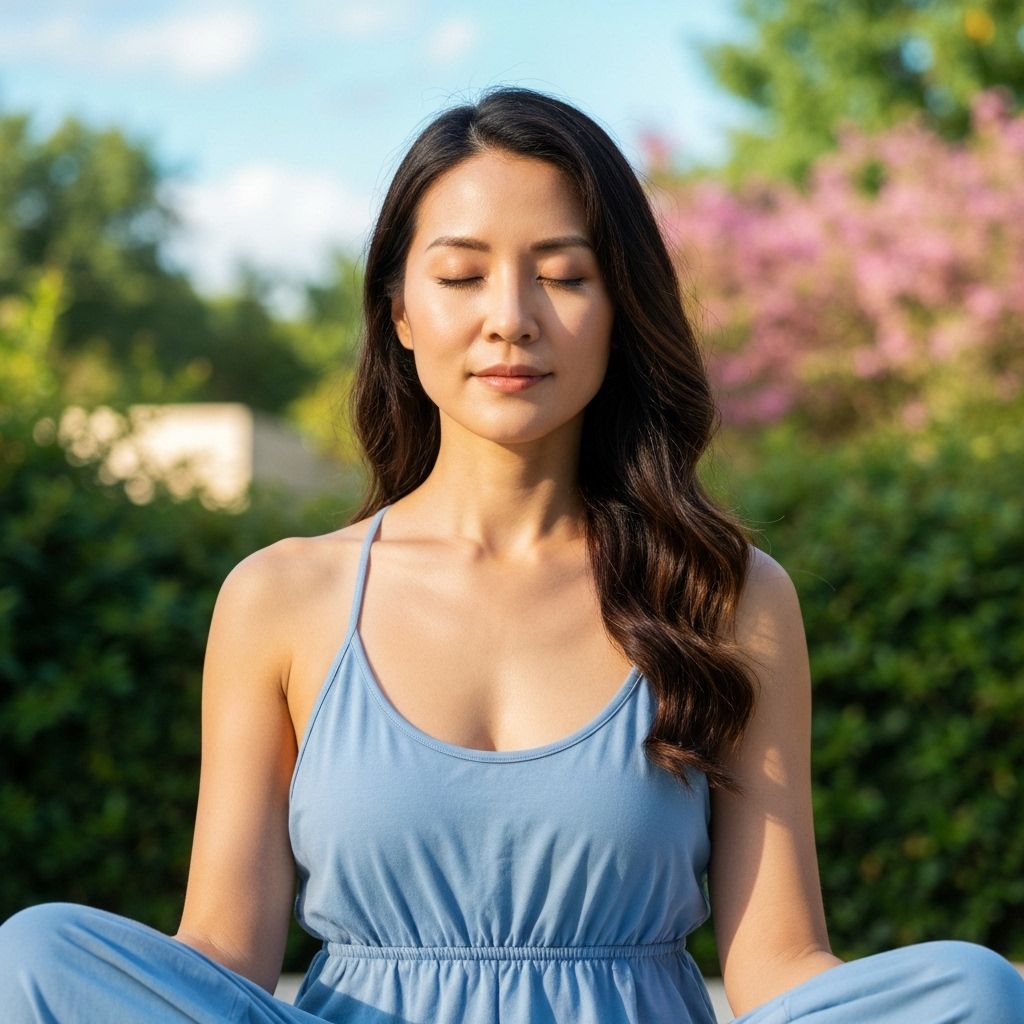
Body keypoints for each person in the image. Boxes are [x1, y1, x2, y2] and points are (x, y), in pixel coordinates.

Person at [0, 85, 1021, 1024]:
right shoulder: (281, 596)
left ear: (620, 311)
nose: (511, 319)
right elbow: (222, 956)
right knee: (38, 951)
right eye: (459, 274)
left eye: (564, 275)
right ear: (398, 309)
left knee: (971, 990)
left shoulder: (725, 596)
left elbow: (776, 964)